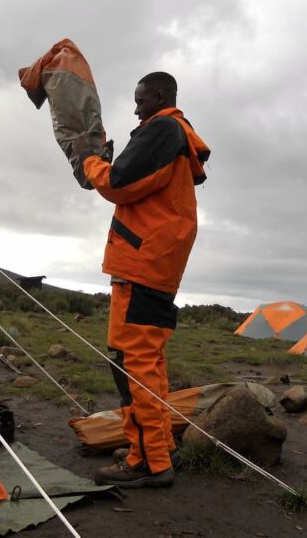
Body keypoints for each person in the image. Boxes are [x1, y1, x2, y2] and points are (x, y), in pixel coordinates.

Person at [76, 72, 211, 488]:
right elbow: (138, 182)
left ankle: (149, 463)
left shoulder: (163, 129)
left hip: (143, 262)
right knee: (145, 362)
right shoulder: (173, 135)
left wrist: (91, 161)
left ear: (161, 96)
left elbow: (119, 183)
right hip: (155, 263)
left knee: (133, 366)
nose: (135, 108)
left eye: (141, 100)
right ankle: (156, 446)